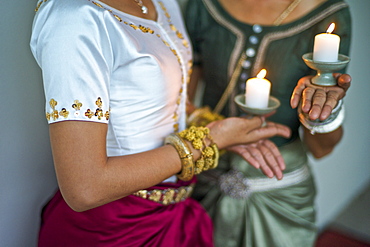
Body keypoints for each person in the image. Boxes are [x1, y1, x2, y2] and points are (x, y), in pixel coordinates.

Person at [29, 0, 297, 246]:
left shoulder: (161, 2)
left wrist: (211, 125)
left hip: (175, 212)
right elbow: (84, 189)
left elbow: (161, 102)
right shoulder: (73, 18)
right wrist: (209, 141)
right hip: (112, 227)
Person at [184, 0, 351, 246]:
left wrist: (323, 112)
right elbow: (179, 103)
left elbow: (321, 149)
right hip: (205, 177)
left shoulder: (327, 14)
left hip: (281, 194)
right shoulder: (204, 6)